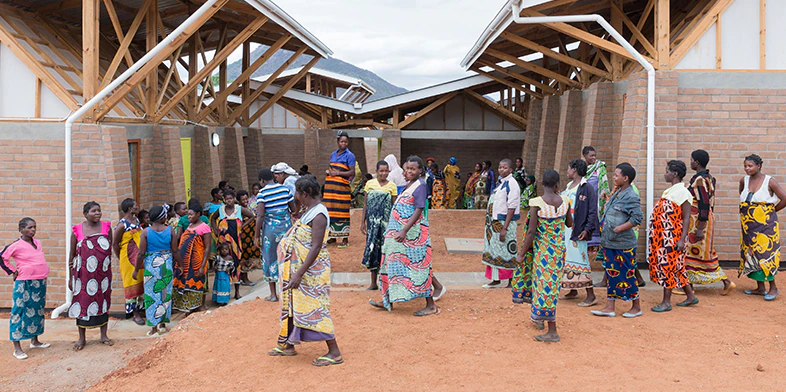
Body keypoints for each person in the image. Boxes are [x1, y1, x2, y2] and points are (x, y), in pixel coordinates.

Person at [269, 175, 343, 367]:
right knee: (293, 305)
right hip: (298, 270)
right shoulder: (310, 210)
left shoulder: (319, 214)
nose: (295, 196)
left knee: (315, 308)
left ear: (306, 193)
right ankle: (288, 344)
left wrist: (299, 273)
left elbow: (316, 247)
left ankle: (334, 351)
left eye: (297, 193)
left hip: (310, 273)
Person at [369, 156, 439, 316]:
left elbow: (418, 210)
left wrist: (404, 230)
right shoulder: (410, 184)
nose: (409, 171)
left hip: (413, 238)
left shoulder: (420, 186)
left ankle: (431, 305)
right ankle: (387, 300)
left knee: (419, 269)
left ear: (420, 170)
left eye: (413, 169)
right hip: (398, 237)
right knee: (389, 264)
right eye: (407, 168)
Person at [517, 170, 572, 342]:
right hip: (558, 252)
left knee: (543, 287)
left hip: (543, 253)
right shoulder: (565, 202)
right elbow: (570, 223)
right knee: (552, 287)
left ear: (542, 183)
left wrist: (521, 254)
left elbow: (531, 231)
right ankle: (540, 317)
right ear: (557, 185)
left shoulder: (537, 203)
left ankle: (552, 330)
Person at [591, 163, 643, 319]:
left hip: (623, 244)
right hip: (610, 241)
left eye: (616, 175)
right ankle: (610, 306)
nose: (614, 177)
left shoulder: (631, 196)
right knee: (611, 273)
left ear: (625, 178)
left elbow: (637, 218)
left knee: (627, 274)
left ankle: (636, 307)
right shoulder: (617, 193)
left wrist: (620, 228)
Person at [648, 160, 699, 312]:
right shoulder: (671, 191)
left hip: (673, 237)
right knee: (677, 268)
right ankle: (690, 296)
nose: (665, 173)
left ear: (675, 174)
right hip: (663, 237)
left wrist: (682, 239)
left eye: (667, 171)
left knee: (667, 267)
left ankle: (666, 302)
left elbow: (686, 217)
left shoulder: (683, 193)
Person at [684, 150, 736, 294]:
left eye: (691, 159)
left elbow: (704, 204)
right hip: (704, 219)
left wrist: (700, 227)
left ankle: (723, 281)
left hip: (699, 221)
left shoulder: (699, 180)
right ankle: (691, 285)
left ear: (697, 162)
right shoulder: (709, 178)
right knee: (701, 253)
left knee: (697, 252)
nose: (690, 162)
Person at [1, 218, 50, 360]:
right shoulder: (16, 245)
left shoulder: (37, 243)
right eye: (29, 227)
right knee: (19, 312)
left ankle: (35, 341)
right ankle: (17, 348)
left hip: (39, 281)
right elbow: (2, 257)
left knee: (37, 310)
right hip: (24, 282)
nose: (33, 230)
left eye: (34, 227)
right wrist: (12, 271)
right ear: (21, 229)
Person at [739, 154, 786, 300]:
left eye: (750, 166)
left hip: (765, 225)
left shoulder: (769, 181)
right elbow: (743, 196)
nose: (747, 169)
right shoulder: (744, 180)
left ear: (758, 166)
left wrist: (770, 212)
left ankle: (773, 288)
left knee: (765, 254)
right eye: (745, 166)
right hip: (748, 225)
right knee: (752, 253)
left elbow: (784, 198)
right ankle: (760, 287)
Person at [68, 202, 114, 351]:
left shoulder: (107, 227)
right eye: (94, 211)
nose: (97, 213)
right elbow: (72, 256)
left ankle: (104, 335)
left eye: (99, 211)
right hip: (83, 277)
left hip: (102, 276)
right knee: (82, 303)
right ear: (85, 214)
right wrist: (70, 278)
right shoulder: (77, 230)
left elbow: (108, 250)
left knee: (103, 301)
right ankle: (81, 338)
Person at [133, 205, 177, 336]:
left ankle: (153, 327)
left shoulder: (146, 232)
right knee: (165, 294)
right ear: (163, 217)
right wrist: (180, 265)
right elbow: (175, 250)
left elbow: (141, 253)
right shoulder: (170, 231)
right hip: (166, 266)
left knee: (151, 295)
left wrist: (136, 270)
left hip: (151, 267)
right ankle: (162, 325)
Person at [561, 160, 598, 307]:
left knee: (582, 260)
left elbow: (592, 210)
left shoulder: (586, 187)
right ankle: (573, 289)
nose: (567, 171)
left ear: (574, 170)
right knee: (569, 258)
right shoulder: (569, 186)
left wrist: (587, 229)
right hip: (567, 229)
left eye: (568, 169)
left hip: (578, 230)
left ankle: (591, 295)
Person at [256, 168, 296, 302]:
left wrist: (257, 235)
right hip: (286, 229)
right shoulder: (285, 190)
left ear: (262, 181)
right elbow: (293, 208)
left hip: (270, 231)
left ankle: (273, 295)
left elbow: (260, 215)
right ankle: (289, 292)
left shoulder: (262, 193)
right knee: (287, 257)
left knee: (269, 258)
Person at [482, 159, 520, 288]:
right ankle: (495, 279)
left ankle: (510, 281)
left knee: (507, 251)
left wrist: (505, 228)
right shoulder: (501, 183)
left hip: (504, 223)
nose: (501, 170)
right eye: (499, 167)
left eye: (504, 168)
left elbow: (512, 207)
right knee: (494, 251)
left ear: (510, 170)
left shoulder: (512, 184)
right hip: (493, 224)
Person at [361, 160, 398, 290]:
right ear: (376, 171)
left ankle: (386, 283)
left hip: (386, 226)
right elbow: (365, 204)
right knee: (373, 251)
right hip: (372, 226)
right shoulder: (370, 184)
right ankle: (373, 283)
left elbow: (394, 207)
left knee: (385, 251)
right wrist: (363, 223)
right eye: (381, 171)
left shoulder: (392, 186)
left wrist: (395, 225)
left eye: (386, 171)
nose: (383, 173)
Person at [211, 189, 254, 300]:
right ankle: (222, 293)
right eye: (226, 199)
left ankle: (237, 292)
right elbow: (213, 218)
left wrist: (243, 226)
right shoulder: (220, 210)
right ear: (224, 200)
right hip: (223, 243)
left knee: (235, 264)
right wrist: (215, 229)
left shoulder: (239, 209)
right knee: (222, 264)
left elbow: (252, 216)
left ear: (233, 199)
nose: (228, 201)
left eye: (230, 199)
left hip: (235, 243)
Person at [112, 198, 145, 324]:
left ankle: (140, 309)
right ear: (130, 208)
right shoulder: (122, 225)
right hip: (127, 258)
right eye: (135, 205)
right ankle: (135, 313)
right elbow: (115, 243)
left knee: (140, 282)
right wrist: (121, 258)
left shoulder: (136, 220)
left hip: (138, 258)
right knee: (131, 284)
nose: (137, 207)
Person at [173, 203, 211, 313]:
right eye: (188, 215)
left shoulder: (205, 227)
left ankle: (196, 308)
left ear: (198, 214)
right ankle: (188, 308)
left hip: (196, 262)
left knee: (195, 283)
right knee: (185, 283)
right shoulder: (190, 226)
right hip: (185, 262)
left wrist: (202, 265)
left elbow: (207, 248)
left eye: (191, 215)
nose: (188, 217)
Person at [324, 131, 356, 248]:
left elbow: (352, 172)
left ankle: (344, 238)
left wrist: (337, 173)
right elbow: (331, 168)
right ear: (338, 142)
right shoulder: (333, 154)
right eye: (342, 141)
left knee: (342, 212)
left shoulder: (350, 155)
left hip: (342, 190)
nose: (344, 144)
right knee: (330, 212)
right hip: (331, 190)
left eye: (346, 142)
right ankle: (332, 236)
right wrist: (329, 172)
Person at [583, 146, 609, 261]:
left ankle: (596, 248)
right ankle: (587, 247)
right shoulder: (582, 168)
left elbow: (604, 182)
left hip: (597, 201)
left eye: (594, 155)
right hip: (585, 201)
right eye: (591, 155)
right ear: (585, 156)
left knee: (596, 221)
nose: (593, 158)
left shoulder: (599, 167)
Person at [237, 190, 261, 285]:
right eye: (243, 199)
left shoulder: (248, 207)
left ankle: (245, 279)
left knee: (248, 256)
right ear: (239, 200)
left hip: (250, 236)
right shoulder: (240, 210)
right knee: (244, 257)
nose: (246, 201)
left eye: (246, 199)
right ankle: (244, 279)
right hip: (243, 237)